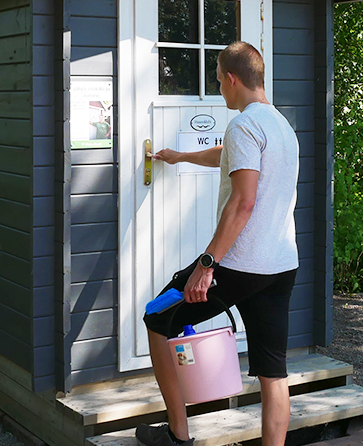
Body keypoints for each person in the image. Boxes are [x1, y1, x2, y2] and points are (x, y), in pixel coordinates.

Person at [137, 41, 299, 446]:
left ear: (231, 79)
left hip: (237, 266)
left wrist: (206, 265)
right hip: (280, 267)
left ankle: (178, 436)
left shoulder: (243, 125)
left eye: (218, 81)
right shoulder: (280, 126)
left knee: (157, 319)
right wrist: (180, 157)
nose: (218, 89)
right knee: (273, 372)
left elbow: (243, 202)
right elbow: (228, 156)